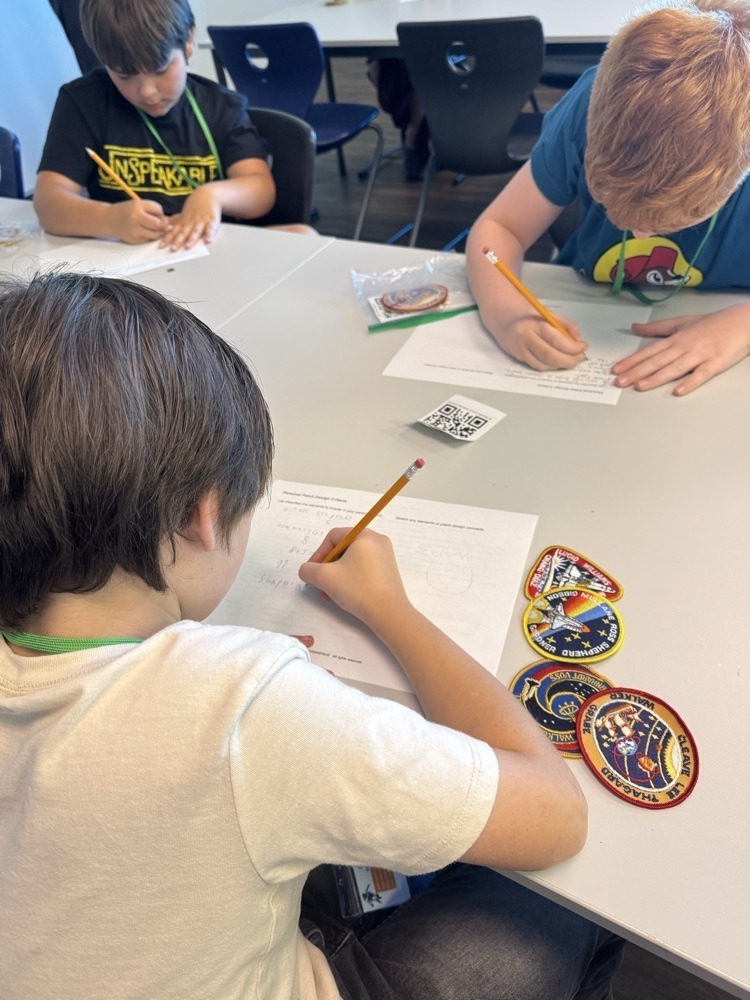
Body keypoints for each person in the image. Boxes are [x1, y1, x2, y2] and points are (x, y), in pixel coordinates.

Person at [0, 271, 624, 1000]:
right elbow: (556, 814)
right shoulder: (241, 707)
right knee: (565, 908)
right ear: (203, 516)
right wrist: (391, 612)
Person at [466, 0, 750, 397]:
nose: (640, 233)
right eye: (611, 205)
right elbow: (499, 227)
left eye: (687, 212)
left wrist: (743, 324)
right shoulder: (591, 103)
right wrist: (506, 314)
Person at [34, 0, 299, 251]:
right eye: (124, 75)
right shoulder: (84, 102)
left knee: (302, 234)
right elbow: (48, 203)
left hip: (208, 250)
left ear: (188, 41)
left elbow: (261, 191)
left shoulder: (221, 107)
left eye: (160, 70)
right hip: (126, 258)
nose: (147, 91)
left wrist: (213, 196)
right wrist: (110, 219)